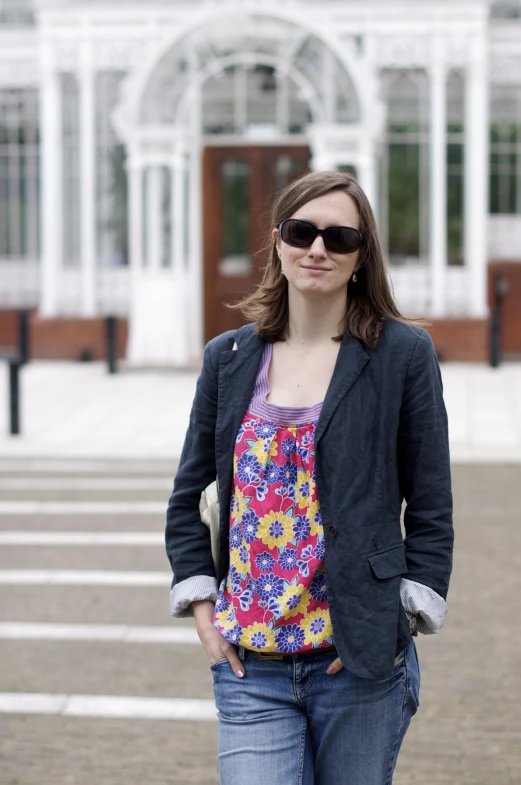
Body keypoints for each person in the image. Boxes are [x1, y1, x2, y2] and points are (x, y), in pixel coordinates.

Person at [165, 170, 453, 785]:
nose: (317, 249)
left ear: (360, 256)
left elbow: (431, 505)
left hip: (355, 660)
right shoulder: (229, 358)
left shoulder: (402, 355)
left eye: (339, 237)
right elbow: (191, 494)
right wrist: (200, 604)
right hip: (252, 662)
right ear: (278, 242)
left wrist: (397, 619)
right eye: (302, 231)